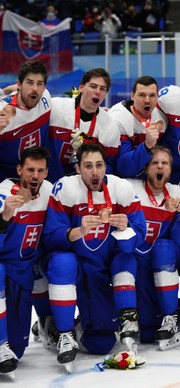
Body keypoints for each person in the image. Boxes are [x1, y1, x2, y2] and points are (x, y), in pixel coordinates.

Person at [41, 143, 146, 371]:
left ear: (105, 167)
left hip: (103, 271)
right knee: (61, 262)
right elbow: (49, 238)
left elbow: (139, 237)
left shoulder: (122, 188)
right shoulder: (65, 188)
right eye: (88, 166)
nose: (95, 172)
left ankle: (127, 318)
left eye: (99, 165)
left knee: (100, 344)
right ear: (78, 169)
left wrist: (126, 227)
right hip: (78, 267)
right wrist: (76, 232)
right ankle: (65, 333)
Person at [128, 146, 180, 350]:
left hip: (162, 258)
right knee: (147, 333)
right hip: (137, 260)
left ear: (170, 169)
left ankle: (171, 316)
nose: (160, 167)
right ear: (146, 168)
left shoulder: (178, 193)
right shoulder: (131, 189)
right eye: (155, 163)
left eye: (164, 163)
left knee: (163, 248)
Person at [0, 147, 52, 379]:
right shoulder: (3, 192)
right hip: (3, 267)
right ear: (20, 169)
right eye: (30, 169)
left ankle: (48, 323)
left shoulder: (50, 192)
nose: (35, 175)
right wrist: (4, 217)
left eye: (40, 171)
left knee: (18, 351)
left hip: (25, 270)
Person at [47, 68, 120, 182]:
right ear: (81, 87)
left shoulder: (109, 126)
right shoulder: (56, 107)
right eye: (93, 86)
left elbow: (110, 165)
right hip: (47, 180)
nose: (97, 91)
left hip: (83, 188)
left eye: (102, 89)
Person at [0, 60, 51, 181]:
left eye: (39, 84)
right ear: (20, 84)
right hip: (4, 183)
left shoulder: (45, 98)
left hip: (37, 181)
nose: (35, 89)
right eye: (29, 83)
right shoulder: (3, 115)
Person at [110, 76, 168, 179]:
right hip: (119, 181)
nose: (147, 100)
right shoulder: (118, 118)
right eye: (142, 95)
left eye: (152, 95)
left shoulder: (162, 118)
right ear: (132, 96)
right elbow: (123, 168)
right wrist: (147, 146)